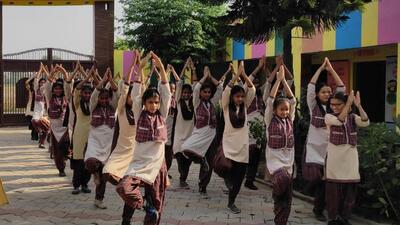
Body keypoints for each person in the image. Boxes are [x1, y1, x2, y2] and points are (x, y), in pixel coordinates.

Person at [117, 52, 171, 225]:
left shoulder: (162, 114)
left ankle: (150, 214)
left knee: (157, 201)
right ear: (144, 103)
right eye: (150, 102)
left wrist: (160, 65)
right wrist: (140, 66)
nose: (153, 105)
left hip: (156, 165)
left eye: (156, 102)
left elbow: (165, 88)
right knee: (124, 188)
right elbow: (136, 90)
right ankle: (131, 216)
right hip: (138, 163)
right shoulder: (138, 112)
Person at [302, 57, 345, 221]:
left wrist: (331, 69)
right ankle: (310, 193)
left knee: (326, 182)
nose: (327, 94)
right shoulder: (313, 106)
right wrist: (321, 68)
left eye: (329, 91)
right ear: (318, 95)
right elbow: (311, 87)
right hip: (314, 148)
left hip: (331, 149)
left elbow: (341, 87)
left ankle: (318, 210)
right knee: (315, 178)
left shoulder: (336, 105)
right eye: (324, 92)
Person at [102, 52, 141, 225]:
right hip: (120, 152)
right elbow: (125, 85)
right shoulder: (122, 109)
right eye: (129, 95)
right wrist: (133, 64)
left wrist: (140, 68)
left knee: (129, 188)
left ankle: (127, 219)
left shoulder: (141, 111)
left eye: (135, 95)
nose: (132, 98)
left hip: (136, 155)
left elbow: (140, 85)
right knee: (107, 173)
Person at [180, 65, 227, 197]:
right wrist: (204, 77)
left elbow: (220, 88)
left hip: (211, 136)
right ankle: (201, 160)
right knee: (186, 149)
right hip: (199, 134)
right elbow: (195, 90)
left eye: (208, 92)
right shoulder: (196, 102)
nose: (207, 94)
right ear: (201, 93)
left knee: (210, 162)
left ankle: (203, 187)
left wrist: (210, 77)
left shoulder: (212, 102)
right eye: (204, 92)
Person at [325, 91, 369, 225]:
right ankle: (333, 218)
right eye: (332, 105)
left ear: (344, 104)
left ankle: (344, 217)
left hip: (350, 159)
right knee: (334, 191)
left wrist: (358, 105)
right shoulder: (328, 117)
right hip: (335, 159)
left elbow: (365, 122)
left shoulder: (353, 117)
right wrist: (348, 104)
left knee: (350, 190)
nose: (334, 107)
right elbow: (339, 121)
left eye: (338, 105)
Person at [221, 61, 255, 213]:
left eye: (242, 96)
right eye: (237, 96)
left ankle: (231, 202)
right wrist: (236, 75)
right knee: (228, 174)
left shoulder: (245, 107)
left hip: (242, 148)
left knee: (239, 178)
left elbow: (252, 89)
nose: (240, 99)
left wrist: (244, 74)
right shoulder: (226, 106)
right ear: (232, 97)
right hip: (228, 147)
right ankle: (228, 185)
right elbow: (227, 90)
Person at [264, 65, 296, 225]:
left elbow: (293, 100)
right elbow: (270, 100)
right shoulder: (269, 120)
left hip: (288, 163)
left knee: (287, 197)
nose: (284, 112)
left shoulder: (290, 120)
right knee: (281, 183)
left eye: (286, 110)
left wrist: (285, 81)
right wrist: (278, 81)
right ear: (275, 110)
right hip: (275, 163)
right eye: (281, 109)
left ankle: (281, 220)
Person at [84, 68, 118, 209]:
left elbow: (116, 93)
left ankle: (99, 200)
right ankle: (95, 173)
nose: (104, 100)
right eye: (101, 98)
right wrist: (103, 80)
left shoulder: (113, 108)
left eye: (106, 98)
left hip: (108, 144)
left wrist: (111, 80)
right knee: (91, 162)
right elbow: (95, 94)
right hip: (94, 141)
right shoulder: (93, 106)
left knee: (104, 173)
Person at [168, 59, 196, 188]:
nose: (185, 94)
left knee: (188, 160)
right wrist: (185, 66)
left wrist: (193, 69)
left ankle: (183, 178)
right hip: (179, 137)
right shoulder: (178, 101)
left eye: (187, 93)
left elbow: (196, 85)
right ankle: (182, 178)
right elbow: (179, 82)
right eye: (184, 93)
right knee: (180, 159)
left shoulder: (194, 103)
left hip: (190, 136)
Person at [70, 67, 96, 195]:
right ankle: (76, 185)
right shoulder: (77, 103)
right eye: (85, 93)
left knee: (88, 162)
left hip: (90, 136)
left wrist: (94, 75)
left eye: (89, 93)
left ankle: (85, 184)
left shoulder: (93, 104)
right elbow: (77, 89)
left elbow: (99, 89)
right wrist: (86, 78)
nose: (87, 95)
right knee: (78, 162)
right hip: (79, 136)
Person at [43, 64, 70, 177]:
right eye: (56, 89)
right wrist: (53, 72)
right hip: (54, 129)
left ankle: (64, 161)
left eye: (60, 88)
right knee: (57, 152)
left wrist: (64, 71)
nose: (58, 90)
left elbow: (69, 85)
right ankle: (61, 169)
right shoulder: (50, 98)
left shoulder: (66, 98)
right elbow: (47, 86)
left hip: (65, 128)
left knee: (65, 150)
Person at [244, 57, 267, 190]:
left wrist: (266, 68)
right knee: (250, 153)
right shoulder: (247, 94)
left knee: (257, 153)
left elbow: (270, 82)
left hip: (260, 126)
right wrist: (258, 68)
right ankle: (244, 177)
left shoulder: (261, 94)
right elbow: (250, 79)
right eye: (254, 82)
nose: (256, 85)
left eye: (258, 82)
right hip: (249, 125)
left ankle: (250, 180)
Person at [31, 64, 50, 149]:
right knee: (34, 121)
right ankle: (39, 132)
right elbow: (36, 78)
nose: (42, 83)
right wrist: (40, 69)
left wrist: (45, 71)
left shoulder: (46, 91)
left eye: (44, 82)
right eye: (41, 82)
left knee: (47, 129)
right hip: (37, 112)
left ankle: (41, 143)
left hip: (46, 112)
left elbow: (50, 79)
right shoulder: (36, 89)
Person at [25, 75, 38, 141]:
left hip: (38, 107)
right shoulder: (31, 89)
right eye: (34, 82)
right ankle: (34, 135)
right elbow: (26, 82)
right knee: (33, 122)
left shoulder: (40, 89)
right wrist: (32, 76)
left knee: (37, 122)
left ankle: (35, 135)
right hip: (31, 107)